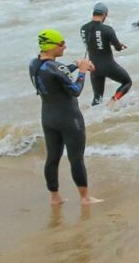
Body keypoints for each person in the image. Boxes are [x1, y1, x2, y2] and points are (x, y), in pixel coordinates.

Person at [30, 29, 96, 206]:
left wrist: (75, 65)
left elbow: (55, 74)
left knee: (52, 158)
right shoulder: (56, 68)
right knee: (76, 158)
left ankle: (55, 197)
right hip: (68, 118)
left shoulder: (34, 64)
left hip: (48, 117)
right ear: (52, 46)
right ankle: (85, 198)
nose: (64, 46)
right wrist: (82, 71)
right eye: (62, 44)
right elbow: (75, 91)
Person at [80, 4, 132, 104]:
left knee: (97, 97)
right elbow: (118, 48)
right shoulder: (107, 29)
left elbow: (93, 42)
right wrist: (119, 45)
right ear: (104, 14)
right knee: (127, 82)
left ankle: (93, 116)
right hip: (108, 65)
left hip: (93, 67)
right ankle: (112, 101)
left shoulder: (83, 28)